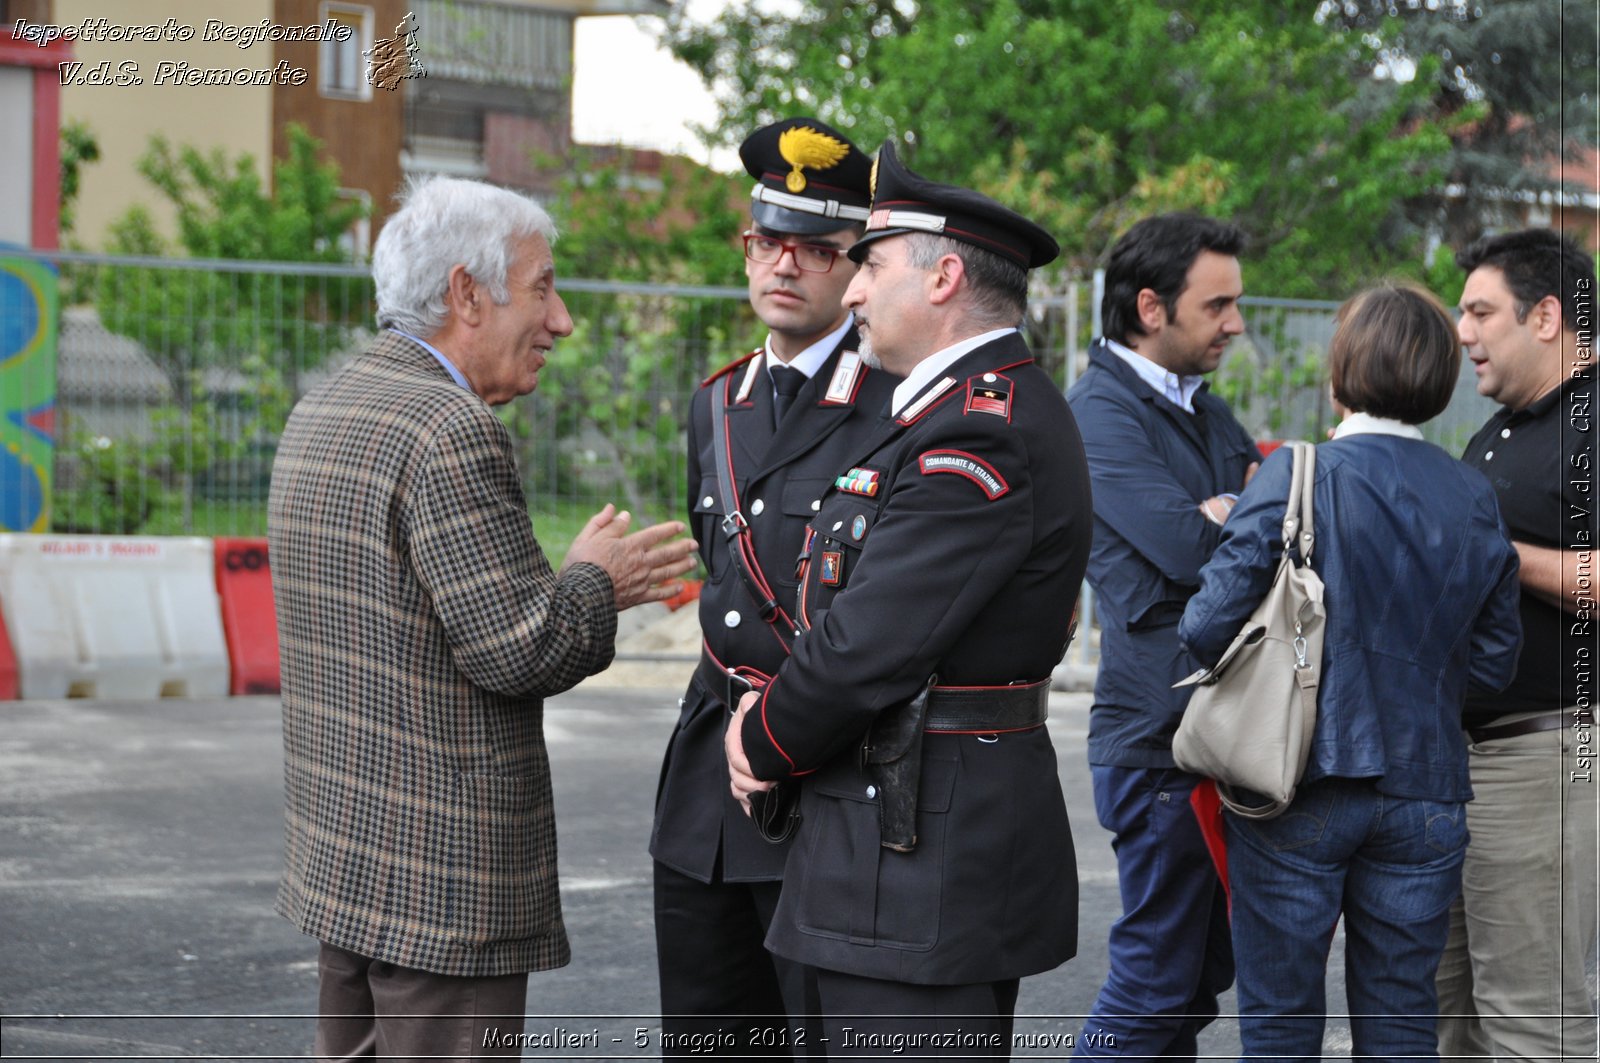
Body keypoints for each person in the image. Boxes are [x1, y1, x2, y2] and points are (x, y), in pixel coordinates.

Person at [268, 175, 697, 1059]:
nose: (563, 319)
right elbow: (522, 650)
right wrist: (593, 579)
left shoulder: (327, 406)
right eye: (543, 287)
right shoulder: (449, 430)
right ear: (468, 293)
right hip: (442, 892)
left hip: (348, 865)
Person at [724, 141, 1093, 1050]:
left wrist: (759, 738)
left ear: (944, 278)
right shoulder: (943, 411)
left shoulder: (981, 429)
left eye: (871, 265)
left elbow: (866, 646)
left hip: (921, 860)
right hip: (886, 846)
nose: (849, 290)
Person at [1180, 281, 1523, 1057]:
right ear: (1439, 382)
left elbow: (1205, 630)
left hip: (1297, 780)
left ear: (1340, 373)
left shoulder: (1297, 474)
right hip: (1428, 791)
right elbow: (1496, 665)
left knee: (1281, 1022)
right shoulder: (1473, 494)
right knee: (1403, 1022)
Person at [650, 116, 897, 1053]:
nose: (783, 266)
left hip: (818, 788)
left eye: (815, 248)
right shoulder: (716, 402)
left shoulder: (894, 405)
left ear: (856, 266)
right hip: (708, 798)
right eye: (767, 242)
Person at [1064, 213, 1257, 1059]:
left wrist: (1233, 514)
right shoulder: (1099, 412)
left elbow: (1281, 518)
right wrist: (1234, 518)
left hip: (1218, 729)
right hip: (1157, 740)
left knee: (1190, 980)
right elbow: (1185, 546)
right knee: (1156, 979)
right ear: (1150, 306)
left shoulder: (1203, 412)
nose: (1236, 323)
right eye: (1217, 305)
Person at [1435, 228, 1599, 1062]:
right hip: (1464, 760)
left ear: (1545, 316)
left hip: (1551, 752)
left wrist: (1495, 551)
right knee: (1448, 1019)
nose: (1462, 331)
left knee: (1534, 1022)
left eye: (1479, 310)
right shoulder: (1498, 431)